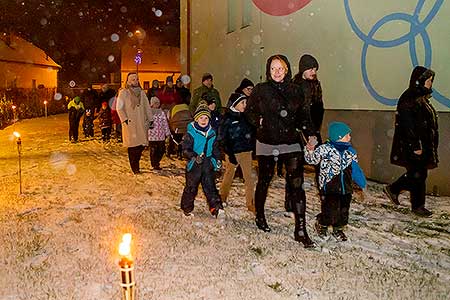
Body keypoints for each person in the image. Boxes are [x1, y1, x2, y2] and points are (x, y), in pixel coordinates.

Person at [245, 54, 316, 248]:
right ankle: (260, 215)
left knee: (297, 184)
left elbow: (304, 115)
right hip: (266, 142)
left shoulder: (296, 90)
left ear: (287, 70)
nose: (277, 72)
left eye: (281, 68)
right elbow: (249, 111)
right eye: (273, 68)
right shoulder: (261, 90)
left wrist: (311, 135)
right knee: (265, 180)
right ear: (269, 70)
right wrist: (258, 122)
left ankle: (301, 229)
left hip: (291, 142)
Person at [384, 66, 438, 217]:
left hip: (420, 143)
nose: (430, 84)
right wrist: (415, 144)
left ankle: (394, 189)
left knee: (417, 174)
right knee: (418, 175)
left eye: (431, 81)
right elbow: (408, 124)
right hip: (413, 145)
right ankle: (418, 206)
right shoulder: (410, 97)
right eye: (428, 80)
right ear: (419, 81)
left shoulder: (419, 97)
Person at [304, 122, 366, 241]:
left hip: (346, 188)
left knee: (343, 211)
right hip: (329, 187)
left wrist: (361, 182)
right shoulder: (325, 149)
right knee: (330, 211)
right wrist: (310, 149)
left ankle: (338, 229)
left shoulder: (350, 151)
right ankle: (322, 223)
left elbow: (355, 169)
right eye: (347, 135)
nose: (350, 137)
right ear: (339, 136)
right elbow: (311, 160)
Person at [180, 102, 224, 218]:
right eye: (201, 118)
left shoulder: (212, 133)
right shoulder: (191, 133)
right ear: (196, 119)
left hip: (207, 164)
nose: (203, 120)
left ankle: (216, 207)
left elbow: (216, 149)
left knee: (210, 186)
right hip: (195, 165)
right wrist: (194, 156)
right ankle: (187, 208)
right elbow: (185, 149)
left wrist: (217, 160)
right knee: (191, 187)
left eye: (206, 118)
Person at [218, 93, 255, 212]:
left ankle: (251, 203)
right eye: (242, 103)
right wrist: (229, 153)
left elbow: (252, 132)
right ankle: (222, 198)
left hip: (246, 152)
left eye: (246, 102)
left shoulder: (246, 117)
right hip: (233, 153)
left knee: (249, 178)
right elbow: (223, 138)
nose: (245, 105)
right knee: (229, 175)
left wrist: (251, 145)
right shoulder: (227, 118)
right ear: (235, 104)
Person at [293, 54, 324, 188]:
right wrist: (307, 130)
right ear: (303, 69)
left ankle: (323, 189)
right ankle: (294, 195)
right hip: (300, 131)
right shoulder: (296, 86)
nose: (314, 72)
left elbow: (318, 108)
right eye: (311, 69)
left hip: (313, 129)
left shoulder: (315, 85)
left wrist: (315, 129)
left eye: (315, 69)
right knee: (296, 164)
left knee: (320, 161)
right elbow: (300, 112)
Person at [116, 72, 153, 174]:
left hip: (141, 122)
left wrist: (150, 119)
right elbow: (119, 107)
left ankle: (136, 163)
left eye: (136, 79)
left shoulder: (142, 93)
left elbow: (147, 107)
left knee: (141, 145)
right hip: (130, 123)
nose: (135, 81)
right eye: (133, 79)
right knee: (132, 146)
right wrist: (124, 119)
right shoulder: (124, 92)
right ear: (128, 81)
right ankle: (134, 166)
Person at [148, 96, 170, 170]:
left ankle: (157, 161)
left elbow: (165, 123)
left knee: (161, 150)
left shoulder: (162, 113)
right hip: (152, 136)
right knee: (153, 150)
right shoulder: (149, 113)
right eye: (155, 103)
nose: (157, 104)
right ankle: (154, 164)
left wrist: (167, 133)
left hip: (161, 135)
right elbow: (146, 124)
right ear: (152, 104)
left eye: (158, 103)